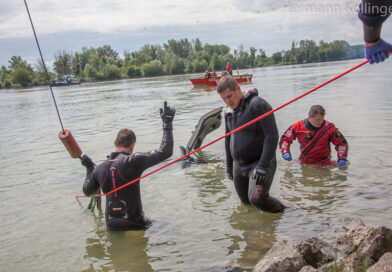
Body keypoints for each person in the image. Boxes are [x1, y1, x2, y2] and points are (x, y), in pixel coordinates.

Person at [80, 101, 175, 231]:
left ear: (115, 142)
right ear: (132, 146)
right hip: (135, 223)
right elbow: (165, 151)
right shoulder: (134, 160)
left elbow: (87, 191)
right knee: (170, 229)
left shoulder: (99, 168)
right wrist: (167, 124)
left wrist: (89, 168)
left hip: (111, 226)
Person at [217, 76, 285, 213]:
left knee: (258, 199)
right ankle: (256, 233)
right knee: (246, 205)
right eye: (223, 98)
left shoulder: (257, 104)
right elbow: (228, 139)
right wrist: (229, 166)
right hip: (238, 167)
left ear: (237, 89)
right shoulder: (228, 113)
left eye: (229, 96)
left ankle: (289, 215)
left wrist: (263, 166)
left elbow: (272, 136)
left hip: (258, 163)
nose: (227, 101)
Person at [279, 105, 348, 167]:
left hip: (324, 163)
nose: (321, 122)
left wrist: (342, 157)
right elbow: (285, 138)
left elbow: (341, 143)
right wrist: (285, 152)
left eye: (322, 119)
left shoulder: (329, 128)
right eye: (318, 120)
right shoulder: (298, 126)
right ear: (310, 117)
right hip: (305, 161)